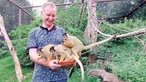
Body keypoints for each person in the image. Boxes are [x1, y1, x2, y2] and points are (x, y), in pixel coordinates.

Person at [27, 2, 67, 82]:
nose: (51, 18)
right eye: (48, 15)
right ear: (41, 14)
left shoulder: (61, 32)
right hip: (40, 77)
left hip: (60, 77)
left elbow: (66, 50)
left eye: (53, 15)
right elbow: (32, 54)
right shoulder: (34, 32)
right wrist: (47, 63)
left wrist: (70, 61)